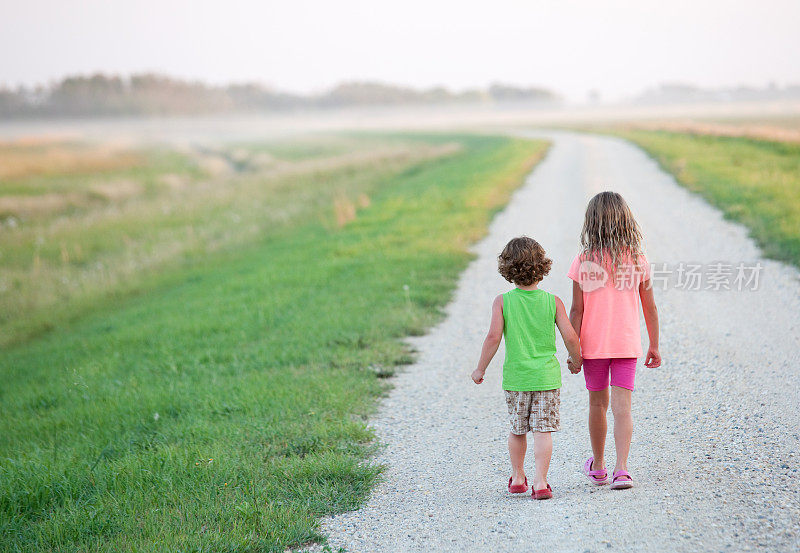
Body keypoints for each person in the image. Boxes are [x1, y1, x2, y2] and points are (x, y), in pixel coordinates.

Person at [471, 236, 581, 500]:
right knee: (543, 431)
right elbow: (570, 337)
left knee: (517, 429)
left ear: (507, 269)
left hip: (517, 379)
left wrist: (480, 369)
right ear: (541, 266)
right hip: (545, 378)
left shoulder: (502, 302)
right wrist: (576, 360)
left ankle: (519, 477)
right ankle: (541, 482)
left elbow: (493, 338)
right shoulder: (553, 302)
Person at [567, 191, 661, 490]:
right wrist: (654, 344)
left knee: (597, 404)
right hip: (626, 344)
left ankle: (598, 467)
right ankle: (622, 470)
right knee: (624, 408)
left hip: (593, 347)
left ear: (591, 223)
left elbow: (577, 310)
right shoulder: (637, 260)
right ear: (626, 221)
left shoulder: (583, 261)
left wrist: (573, 350)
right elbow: (650, 307)